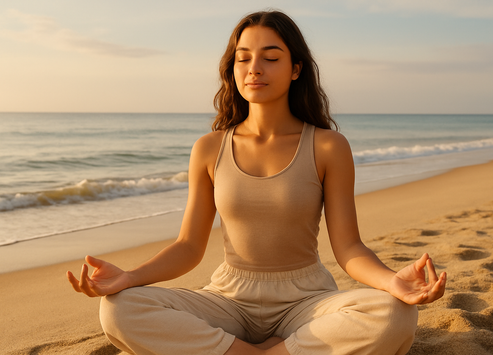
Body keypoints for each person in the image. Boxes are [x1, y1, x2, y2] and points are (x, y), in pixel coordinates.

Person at [67, 10, 446, 355]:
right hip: (228, 300)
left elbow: (348, 248)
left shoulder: (328, 146)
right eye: (243, 58)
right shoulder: (209, 148)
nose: (254, 68)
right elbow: (188, 246)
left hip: (307, 302)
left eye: (270, 57)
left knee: (394, 314)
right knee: (120, 308)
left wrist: (391, 281)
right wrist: (129, 277)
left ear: (296, 68)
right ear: (232, 68)